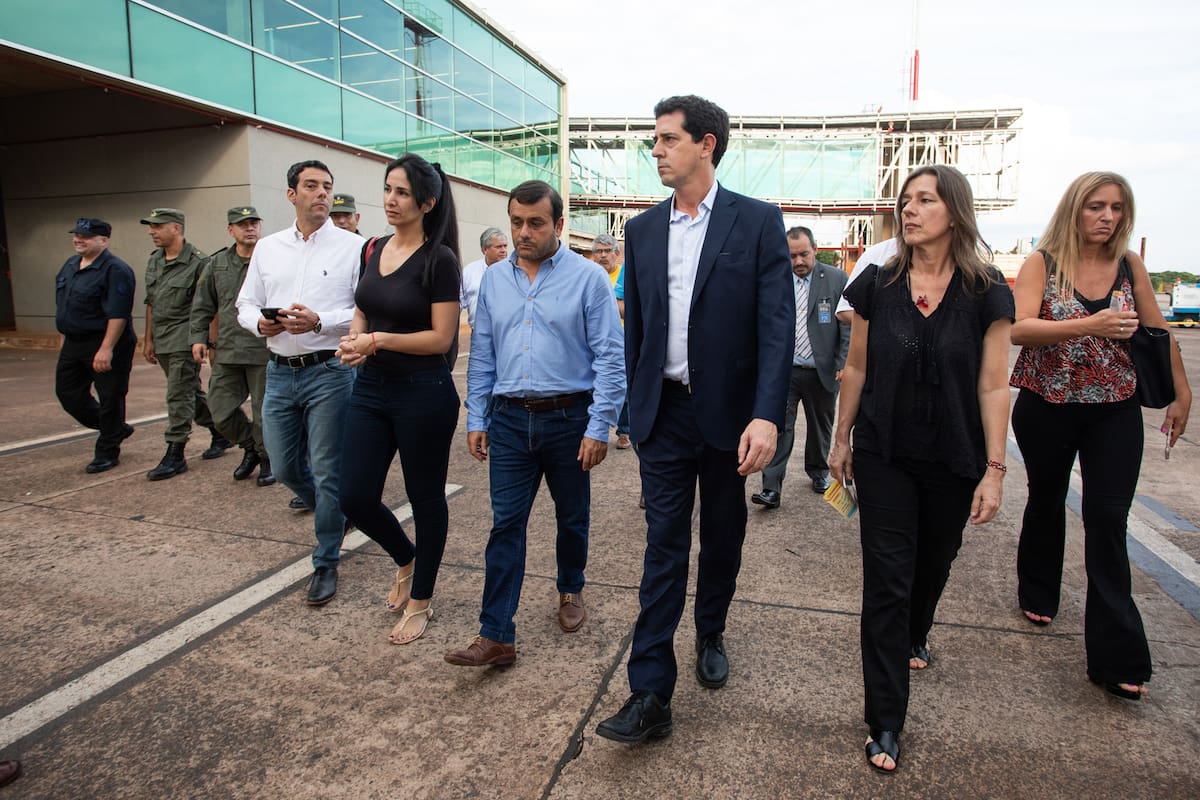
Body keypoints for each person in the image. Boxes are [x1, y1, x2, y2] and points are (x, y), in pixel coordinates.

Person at [595, 95, 793, 744]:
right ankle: (650, 690)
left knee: (725, 535)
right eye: (654, 141)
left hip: (732, 417)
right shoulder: (643, 231)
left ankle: (711, 627)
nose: (656, 150)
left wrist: (767, 416)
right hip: (665, 414)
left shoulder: (757, 222)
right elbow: (639, 333)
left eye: (667, 139)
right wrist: (630, 408)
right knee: (663, 546)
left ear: (706, 145)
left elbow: (775, 329)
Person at [828, 164, 1014, 773]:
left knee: (932, 564)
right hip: (884, 451)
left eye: (924, 200)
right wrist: (840, 439)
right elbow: (855, 369)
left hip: (955, 457)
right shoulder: (876, 285)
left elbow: (992, 385)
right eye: (905, 200)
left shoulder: (988, 291)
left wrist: (994, 468)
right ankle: (885, 718)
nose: (909, 210)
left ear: (954, 213)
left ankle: (917, 630)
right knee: (886, 580)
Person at [1009, 171, 1191, 702]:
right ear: (1074, 210)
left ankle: (1117, 656)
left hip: (1115, 408)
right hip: (1048, 405)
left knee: (1108, 519)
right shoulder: (1043, 262)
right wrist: (1089, 325)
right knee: (1045, 500)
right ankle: (1038, 589)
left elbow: (1157, 333)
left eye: (1115, 207)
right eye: (1095, 206)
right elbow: (1019, 328)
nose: (1106, 217)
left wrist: (1181, 394)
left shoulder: (1130, 265)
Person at [444, 180, 624, 667]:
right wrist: (476, 416)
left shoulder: (588, 280)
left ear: (559, 225)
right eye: (516, 223)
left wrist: (599, 425)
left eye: (536, 223)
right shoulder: (495, 280)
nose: (524, 233)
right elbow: (482, 353)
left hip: (569, 419)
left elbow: (610, 356)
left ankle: (570, 588)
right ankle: (496, 633)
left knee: (572, 517)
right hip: (507, 421)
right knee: (506, 526)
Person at [337, 155, 461, 645]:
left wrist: (377, 342)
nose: (391, 199)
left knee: (425, 497)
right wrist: (355, 338)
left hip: (423, 392)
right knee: (355, 496)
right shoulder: (373, 248)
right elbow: (364, 308)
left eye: (403, 193)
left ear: (427, 202)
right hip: (371, 387)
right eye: (388, 189)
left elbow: (440, 338)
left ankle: (422, 598)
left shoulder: (440, 259)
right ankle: (407, 558)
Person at [235, 160, 363, 606]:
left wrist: (320, 320)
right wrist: (259, 325)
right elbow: (245, 303)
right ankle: (339, 513)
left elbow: (365, 310)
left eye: (327, 187)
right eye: (311, 186)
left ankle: (325, 561)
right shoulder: (268, 249)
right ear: (292, 195)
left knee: (329, 471)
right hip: (279, 371)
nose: (322, 194)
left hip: (329, 373)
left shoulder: (353, 248)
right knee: (285, 466)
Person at [752, 226, 850, 508]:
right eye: (792, 256)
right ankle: (771, 487)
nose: (798, 262)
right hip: (785, 371)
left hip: (823, 369)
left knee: (821, 425)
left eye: (804, 254)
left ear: (815, 250)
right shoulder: (776, 280)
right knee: (779, 427)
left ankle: (818, 472)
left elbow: (846, 327)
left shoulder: (836, 279)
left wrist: (843, 363)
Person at [189, 206, 275, 487]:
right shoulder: (216, 264)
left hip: (264, 350)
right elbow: (202, 304)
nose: (249, 228)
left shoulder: (272, 259)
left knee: (264, 413)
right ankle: (251, 446)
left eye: (253, 223)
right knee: (220, 410)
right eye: (242, 224)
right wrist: (199, 338)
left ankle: (266, 459)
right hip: (228, 350)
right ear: (230, 230)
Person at [141, 207, 227, 480]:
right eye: (151, 227)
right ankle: (221, 431)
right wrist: (148, 339)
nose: (152, 231)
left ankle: (175, 451)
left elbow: (207, 307)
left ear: (176, 228)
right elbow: (151, 302)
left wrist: (208, 342)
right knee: (189, 391)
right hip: (162, 338)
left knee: (178, 394)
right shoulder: (154, 260)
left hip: (185, 339)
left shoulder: (200, 262)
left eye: (158, 226)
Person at [54, 218, 137, 473]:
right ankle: (115, 428)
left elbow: (118, 314)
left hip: (105, 340)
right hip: (73, 342)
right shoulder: (70, 265)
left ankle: (107, 451)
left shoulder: (116, 269)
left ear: (104, 240)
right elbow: (64, 305)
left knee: (111, 397)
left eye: (86, 236)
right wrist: (63, 337)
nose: (79, 239)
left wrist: (106, 348)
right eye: (77, 234)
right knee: (68, 394)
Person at [593, 233, 632, 449]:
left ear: (617, 253)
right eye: (599, 251)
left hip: (622, 338)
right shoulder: (588, 275)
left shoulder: (622, 274)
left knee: (622, 385)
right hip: (594, 339)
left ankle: (624, 431)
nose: (603, 255)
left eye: (608, 251)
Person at [459, 226, 508, 330]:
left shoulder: (514, 271)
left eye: (505, 246)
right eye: (499, 247)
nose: (504, 250)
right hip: (478, 333)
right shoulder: (470, 271)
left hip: (507, 334)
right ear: (485, 249)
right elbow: (457, 304)